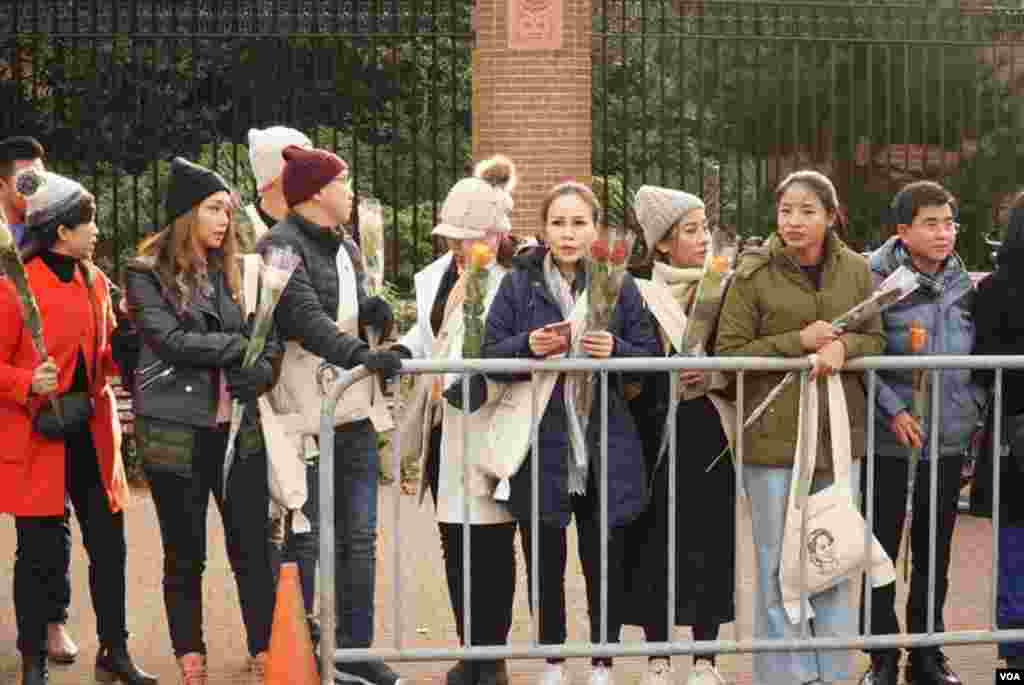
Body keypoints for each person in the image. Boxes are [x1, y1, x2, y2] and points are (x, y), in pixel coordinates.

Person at [483, 181, 658, 685]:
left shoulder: (618, 283)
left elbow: (650, 359)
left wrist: (617, 351)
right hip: (543, 441)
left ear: (595, 229)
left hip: (603, 442)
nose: (568, 233)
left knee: (603, 558)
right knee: (545, 559)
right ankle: (553, 660)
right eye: (558, 223)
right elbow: (489, 355)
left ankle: (602, 660)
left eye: (579, 222)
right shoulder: (519, 284)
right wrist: (527, 346)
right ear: (543, 229)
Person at [715, 169, 885, 685]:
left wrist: (843, 347)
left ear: (831, 217)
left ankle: (832, 673)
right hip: (771, 443)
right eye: (786, 210)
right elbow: (730, 352)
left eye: (807, 210)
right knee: (778, 566)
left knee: (833, 560)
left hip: (837, 441)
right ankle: (787, 676)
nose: (793, 221)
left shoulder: (856, 270)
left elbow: (875, 339)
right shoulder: (751, 273)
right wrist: (799, 341)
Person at [125, 157, 280, 684]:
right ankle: (190, 655)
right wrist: (239, 350)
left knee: (253, 547)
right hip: (175, 430)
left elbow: (270, 340)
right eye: (214, 208)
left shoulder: (241, 270)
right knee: (185, 550)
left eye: (228, 210)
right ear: (186, 214)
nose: (224, 220)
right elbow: (169, 341)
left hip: (237, 430)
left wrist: (259, 373)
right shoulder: (145, 274)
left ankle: (264, 647)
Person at [255, 145, 406, 685]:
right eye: (344, 183)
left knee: (359, 539)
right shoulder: (278, 245)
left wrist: (374, 314)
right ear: (317, 192)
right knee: (306, 537)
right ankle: (306, 647)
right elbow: (305, 320)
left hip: (353, 412)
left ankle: (356, 649)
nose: (351, 193)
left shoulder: (346, 245)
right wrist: (364, 356)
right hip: (305, 417)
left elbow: (345, 308)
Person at [0, 170, 155, 685]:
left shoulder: (94, 279)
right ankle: (33, 663)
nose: (96, 230)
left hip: (91, 428)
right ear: (61, 230)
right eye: (87, 222)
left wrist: (123, 350)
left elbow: (102, 359)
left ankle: (115, 650)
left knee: (110, 547)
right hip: (39, 432)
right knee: (39, 555)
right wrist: (27, 380)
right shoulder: (14, 288)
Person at [391, 156, 519, 685]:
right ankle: (473, 652)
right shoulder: (437, 277)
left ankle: (492, 659)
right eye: (453, 238)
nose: (457, 247)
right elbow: (428, 336)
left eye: (466, 237)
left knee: (490, 545)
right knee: (454, 542)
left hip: (489, 423)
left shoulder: (511, 282)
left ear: (493, 233)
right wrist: (399, 347)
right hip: (446, 425)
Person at [860, 181, 979, 685]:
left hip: (948, 440)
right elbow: (859, 352)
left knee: (936, 552)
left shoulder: (963, 283)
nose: (944, 233)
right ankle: (882, 656)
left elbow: (977, 357)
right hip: (891, 438)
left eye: (950, 222)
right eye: (931, 223)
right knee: (881, 551)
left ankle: (927, 654)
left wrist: (971, 409)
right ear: (902, 230)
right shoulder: (875, 279)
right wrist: (893, 410)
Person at [624, 186, 734, 685]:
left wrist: (714, 374)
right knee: (653, 541)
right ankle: (658, 656)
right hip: (651, 427)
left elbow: (738, 355)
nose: (704, 239)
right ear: (662, 243)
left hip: (707, 427)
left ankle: (707, 657)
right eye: (691, 230)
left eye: (705, 228)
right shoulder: (636, 290)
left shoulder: (725, 286)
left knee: (710, 539)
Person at [0, 135, 80, 666]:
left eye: (41, 177)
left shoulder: (50, 228)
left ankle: (52, 622)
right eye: (26, 179)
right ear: (3, 184)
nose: (36, 189)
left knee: (49, 520)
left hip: (30, 397)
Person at [242, 124, 323, 643]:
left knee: (304, 513)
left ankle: (303, 625)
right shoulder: (244, 230)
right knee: (263, 521)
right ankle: (268, 634)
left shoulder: (313, 230)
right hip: (258, 395)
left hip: (309, 396)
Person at [971, 190, 1024, 670]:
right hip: (1013, 439)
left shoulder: (992, 291)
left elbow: (982, 373)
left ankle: (1012, 669)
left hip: (1012, 437)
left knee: (1014, 560)